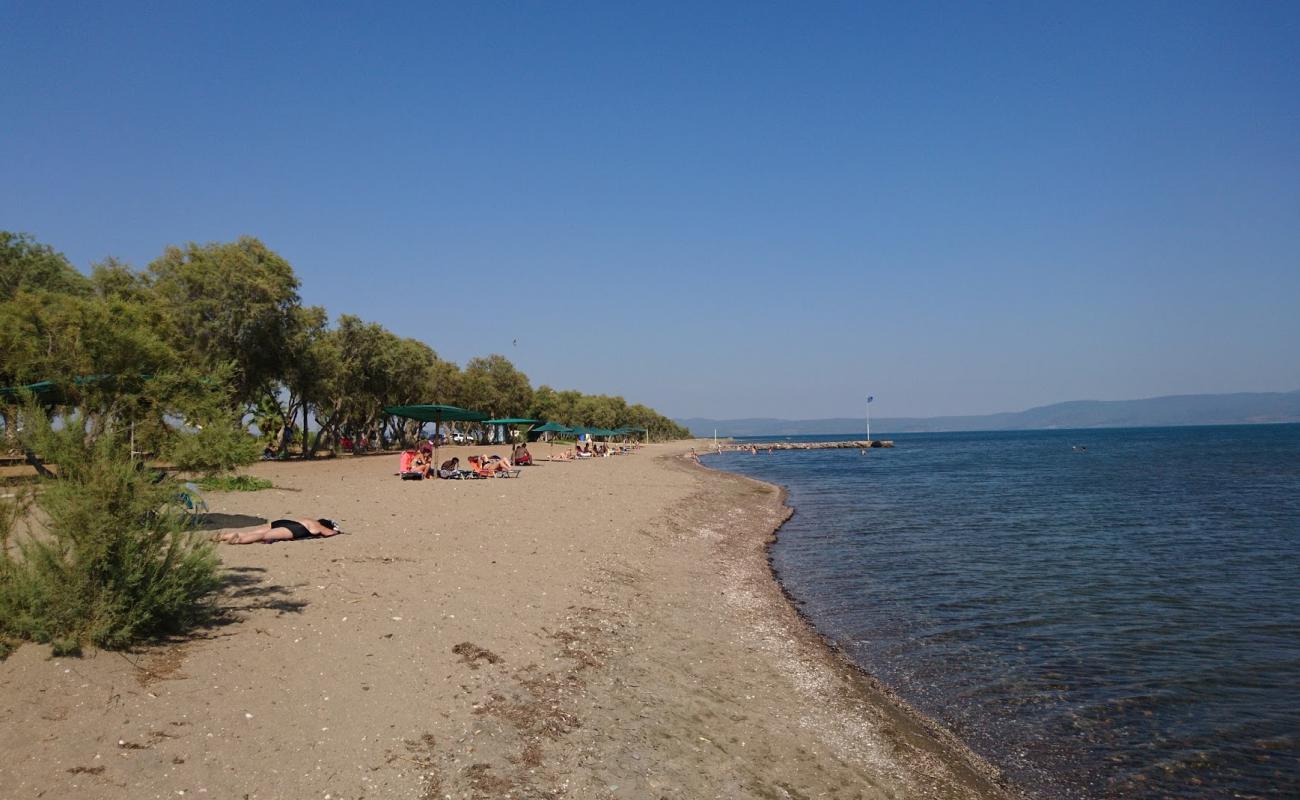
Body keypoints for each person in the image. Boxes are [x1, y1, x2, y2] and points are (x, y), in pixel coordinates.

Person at [214, 517, 344, 544]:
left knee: (254, 532)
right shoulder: (318, 526)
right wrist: (337, 532)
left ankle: (221, 537)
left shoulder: (308, 518)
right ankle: (239, 540)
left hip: (285, 521)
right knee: (263, 536)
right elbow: (328, 533)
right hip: (295, 528)